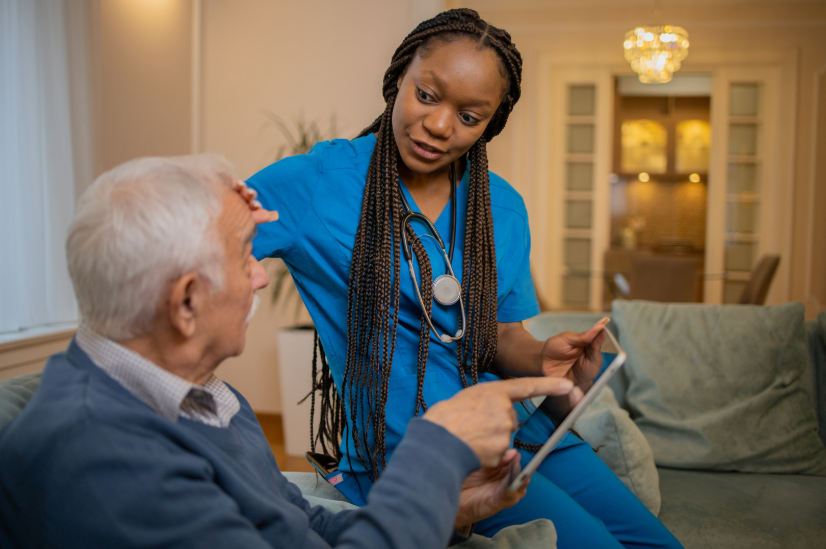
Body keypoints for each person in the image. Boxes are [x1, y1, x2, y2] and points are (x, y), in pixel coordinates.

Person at [246, 8, 683, 549]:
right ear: (399, 76)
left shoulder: (500, 207)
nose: (439, 125)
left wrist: (543, 355)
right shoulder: (319, 183)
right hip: (425, 452)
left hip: (519, 428)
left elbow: (500, 336)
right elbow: (202, 238)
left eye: (470, 117)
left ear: (491, 122)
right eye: (427, 95)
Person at [0, 154, 580, 548]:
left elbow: (302, 526)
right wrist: (438, 446)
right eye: (246, 257)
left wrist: (449, 511)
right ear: (185, 303)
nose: (260, 278)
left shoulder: (207, 399)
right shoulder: (102, 459)